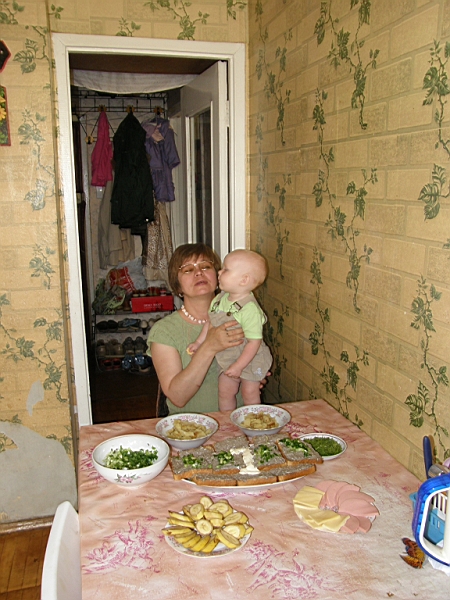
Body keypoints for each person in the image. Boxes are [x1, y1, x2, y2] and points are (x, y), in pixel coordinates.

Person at [146, 243, 246, 415]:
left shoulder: (239, 316)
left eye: (205, 266)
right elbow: (178, 397)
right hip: (190, 427)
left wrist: (254, 374)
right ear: (177, 286)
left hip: (238, 421)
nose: (199, 272)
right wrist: (209, 346)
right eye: (188, 270)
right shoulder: (163, 331)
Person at [187, 249, 272, 411]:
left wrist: (239, 366)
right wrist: (199, 342)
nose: (219, 272)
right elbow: (211, 322)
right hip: (229, 357)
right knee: (225, 391)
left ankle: (254, 420)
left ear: (244, 280)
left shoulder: (250, 309)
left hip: (251, 358)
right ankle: (227, 420)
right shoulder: (220, 300)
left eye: (226, 269)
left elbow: (254, 343)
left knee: (249, 393)